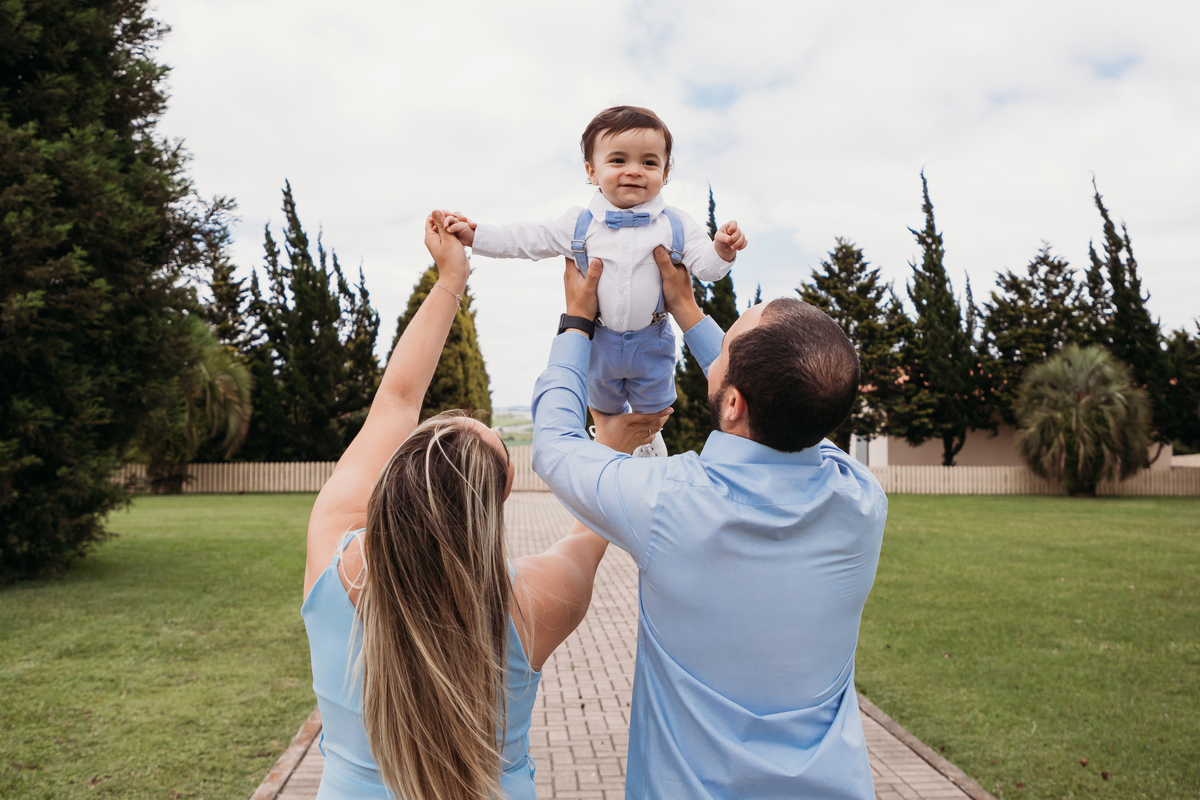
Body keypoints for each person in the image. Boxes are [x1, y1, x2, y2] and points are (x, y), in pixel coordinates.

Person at [301, 210, 671, 800]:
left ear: (394, 477)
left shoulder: (334, 559)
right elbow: (589, 530)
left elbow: (397, 400)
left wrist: (451, 277)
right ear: (495, 504)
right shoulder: (535, 604)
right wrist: (611, 446)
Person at [530, 248, 888, 798]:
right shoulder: (861, 499)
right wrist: (686, 309)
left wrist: (576, 320)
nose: (715, 347)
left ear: (735, 402)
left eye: (724, 344)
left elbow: (556, 445)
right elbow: (796, 402)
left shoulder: (668, 503)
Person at [438, 105, 747, 456]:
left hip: (652, 340)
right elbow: (526, 239)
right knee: (604, 409)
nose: (634, 171)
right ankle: (608, 451)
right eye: (618, 160)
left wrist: (721, 250)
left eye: (649, 162)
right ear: (592, 171)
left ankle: (649, 448)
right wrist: (475, 236)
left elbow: (706, 268)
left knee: (656, 410)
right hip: (599, 342)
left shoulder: (675, 224)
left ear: (665, 171)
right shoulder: (579, 224)